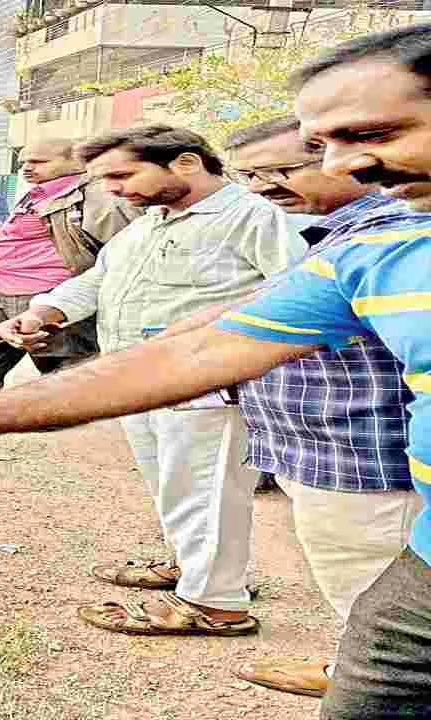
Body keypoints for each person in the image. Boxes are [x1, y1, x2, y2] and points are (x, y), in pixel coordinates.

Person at [0, 26, 431, 718]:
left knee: (248, 516)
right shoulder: (374, 247)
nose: (345, 165)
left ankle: (217, 599)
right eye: (324, 144)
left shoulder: (313, 227)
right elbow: (197, 343)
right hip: (357, 505)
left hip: (348, 446)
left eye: (370, 134)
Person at [0, 125, 304, 637]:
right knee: (173, 485)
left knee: (207, 491)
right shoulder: (150, 222)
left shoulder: (254, 216)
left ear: (185, 163)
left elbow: (296, 288)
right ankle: (192, 568)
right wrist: (44, 312)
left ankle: (216, 603)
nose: (113, 189)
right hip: (140, 379)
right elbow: (98, 279)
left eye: (122, 175)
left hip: (208, 383)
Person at [195, 116, 417, 698]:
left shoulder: (387, 234)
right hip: (331, 454)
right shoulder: (337, 232)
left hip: (365, 462)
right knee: (360, 595)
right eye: (249, 175)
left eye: (281, 169)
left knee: (379, 602)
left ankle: (371, 680)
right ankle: (353, 667)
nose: (262, 186)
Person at [0, 138, 139, 405]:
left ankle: (79, 411)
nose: (27, 168)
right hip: (3, 287)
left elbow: (121, 250)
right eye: (24, 162)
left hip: (50, 289)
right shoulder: (39, 192)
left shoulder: (97, 195)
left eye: (39, 161)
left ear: (76, 162)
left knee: (64, 361)